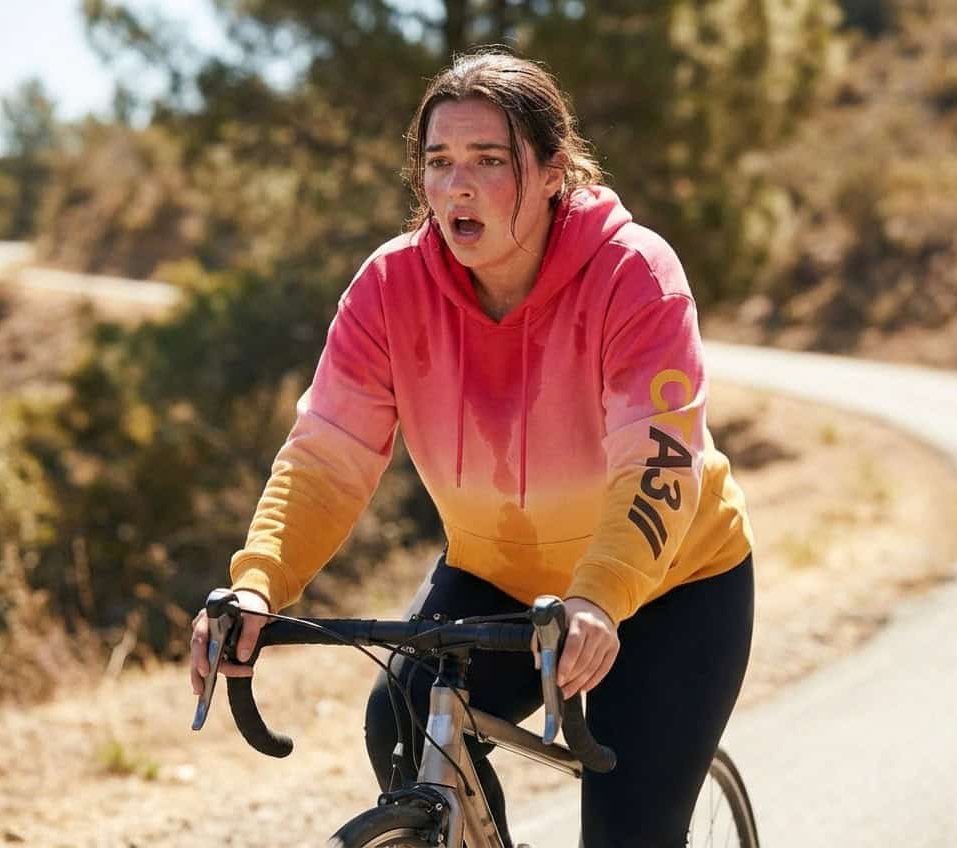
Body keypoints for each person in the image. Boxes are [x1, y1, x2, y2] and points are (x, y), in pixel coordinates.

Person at [190, 49, 754, 847]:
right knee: (402, 719)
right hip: (502, 573)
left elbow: (659, 461)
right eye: (439, 161)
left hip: (669, 584)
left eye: (489, 161)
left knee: (630, 833)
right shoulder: (389, 289)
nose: (458, 184)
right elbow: (327, 456)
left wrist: (600, 597)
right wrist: (258, 584)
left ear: (555, 169)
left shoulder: (634, 274)